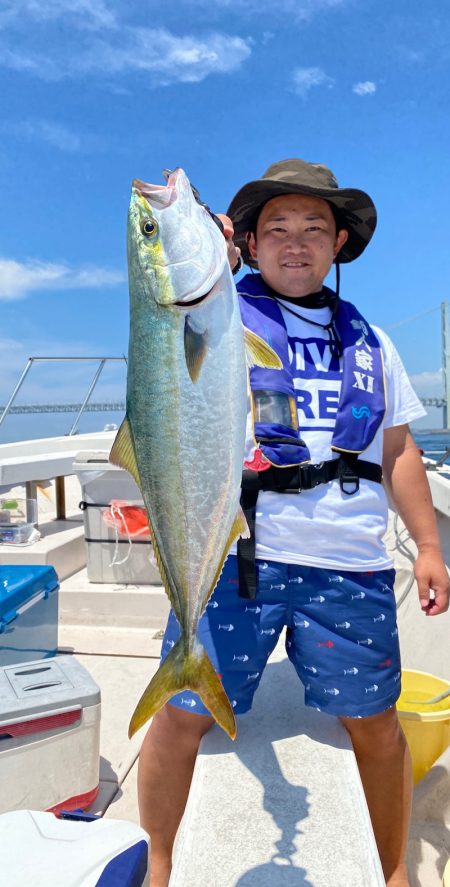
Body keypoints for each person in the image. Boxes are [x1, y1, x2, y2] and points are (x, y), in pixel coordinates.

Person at [137, 159, 450, 887]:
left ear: (339, 243)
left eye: (314, 227)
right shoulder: (212, 315)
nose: (296, 242)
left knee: (376, 722)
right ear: (247, 243)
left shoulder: (373, 344)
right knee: (182, 713)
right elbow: (171, 338)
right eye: (276, 228)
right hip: (237, 560)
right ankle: (158, 861)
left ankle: (393, 869)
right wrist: (202, 252)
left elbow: (398, 449)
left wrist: (429, 543)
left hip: (350, 566)